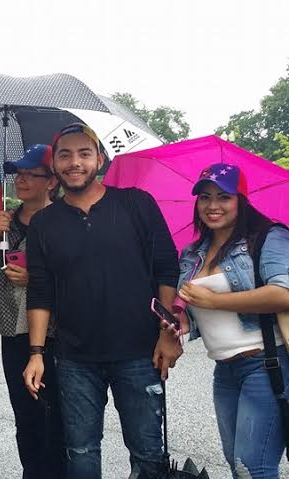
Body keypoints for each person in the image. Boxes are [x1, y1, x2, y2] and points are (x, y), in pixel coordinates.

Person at [22, 123, 182, 479]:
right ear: (55, 164)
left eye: (84, 153)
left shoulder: (136, 204)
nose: (74, 162)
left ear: (100, 159)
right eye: (65, 154)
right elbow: (41, 291)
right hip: (75, 357)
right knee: (80, 452)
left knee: (148, 454)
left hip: (140, 352)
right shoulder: (44, 223)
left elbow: (167, 269)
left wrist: (166, 331)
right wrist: (35, 353)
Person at [175, 163, 289, 479]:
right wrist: (184, 321)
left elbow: (283, 293)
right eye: (205, 197)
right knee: (235, 462)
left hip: (266, 364)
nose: (213, 206)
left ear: (241, 199)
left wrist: (215, 301)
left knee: (253, 465)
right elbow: (197, 307)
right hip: (225, 370)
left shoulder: (268, 237)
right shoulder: (193, 252)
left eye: (224, 197)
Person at [0, 144, 65, 478]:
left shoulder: (65, 221)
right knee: (25, 413)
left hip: (57, 333)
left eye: (30, 174)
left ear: (51, 181)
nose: (20, 180)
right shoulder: (6, 221)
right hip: (13, 331)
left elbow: (82, 278)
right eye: (17, 174)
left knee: (58, 414)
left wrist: (36, 279)